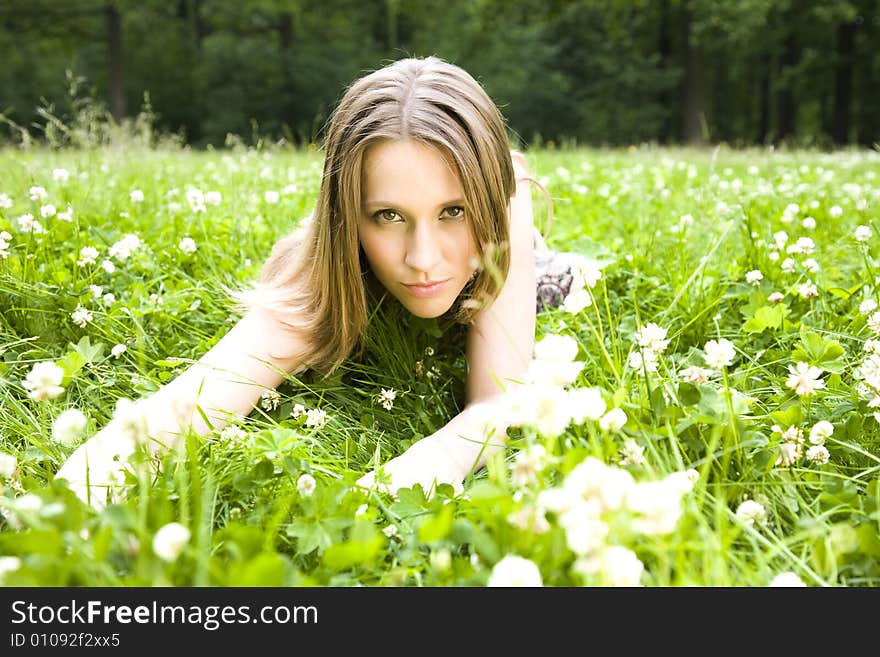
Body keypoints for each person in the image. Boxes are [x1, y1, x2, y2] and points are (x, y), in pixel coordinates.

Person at [55, 55, 566, 509]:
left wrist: (404, 477)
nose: (423, 259)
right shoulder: (321, 275)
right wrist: (62, 508)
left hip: (522, 256)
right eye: (388, 215)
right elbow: (192, 401)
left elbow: (499, 402)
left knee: (559, 281)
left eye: (453, 211)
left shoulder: (507, 202)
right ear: (347, 216)